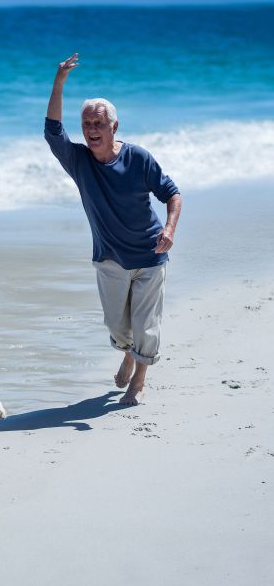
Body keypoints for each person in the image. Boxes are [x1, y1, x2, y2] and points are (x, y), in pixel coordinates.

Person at [45, 52, 182, 405]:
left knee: (146, 324)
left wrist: (169, 230)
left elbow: (173, 194)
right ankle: (127, 351)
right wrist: (59, 82)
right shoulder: (77, 161)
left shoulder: (139, 158)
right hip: (109, 258)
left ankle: (138, 380)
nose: (91, 130)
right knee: (117, 326)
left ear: (114, 127)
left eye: (98, 124)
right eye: (87, 123)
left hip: (151, 255)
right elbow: (52, 131)